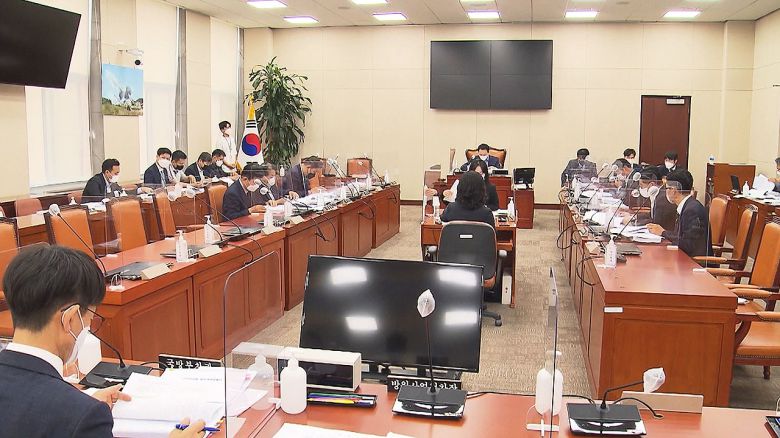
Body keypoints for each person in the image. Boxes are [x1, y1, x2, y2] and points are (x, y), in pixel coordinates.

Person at [0, 245, 205, 438]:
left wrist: (80, 403)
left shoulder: (77, 409)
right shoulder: (83, 415)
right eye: (90, 319)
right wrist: (82, 410)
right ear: (70, 319)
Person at [647, 169, 712, 257]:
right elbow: (682, 238)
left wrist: (663, 232)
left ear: (673, 190)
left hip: (694, 262)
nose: (666, 192)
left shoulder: (692, 210)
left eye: (667, 188)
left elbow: (687, 245)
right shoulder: (687, 205)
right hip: (684, 257)